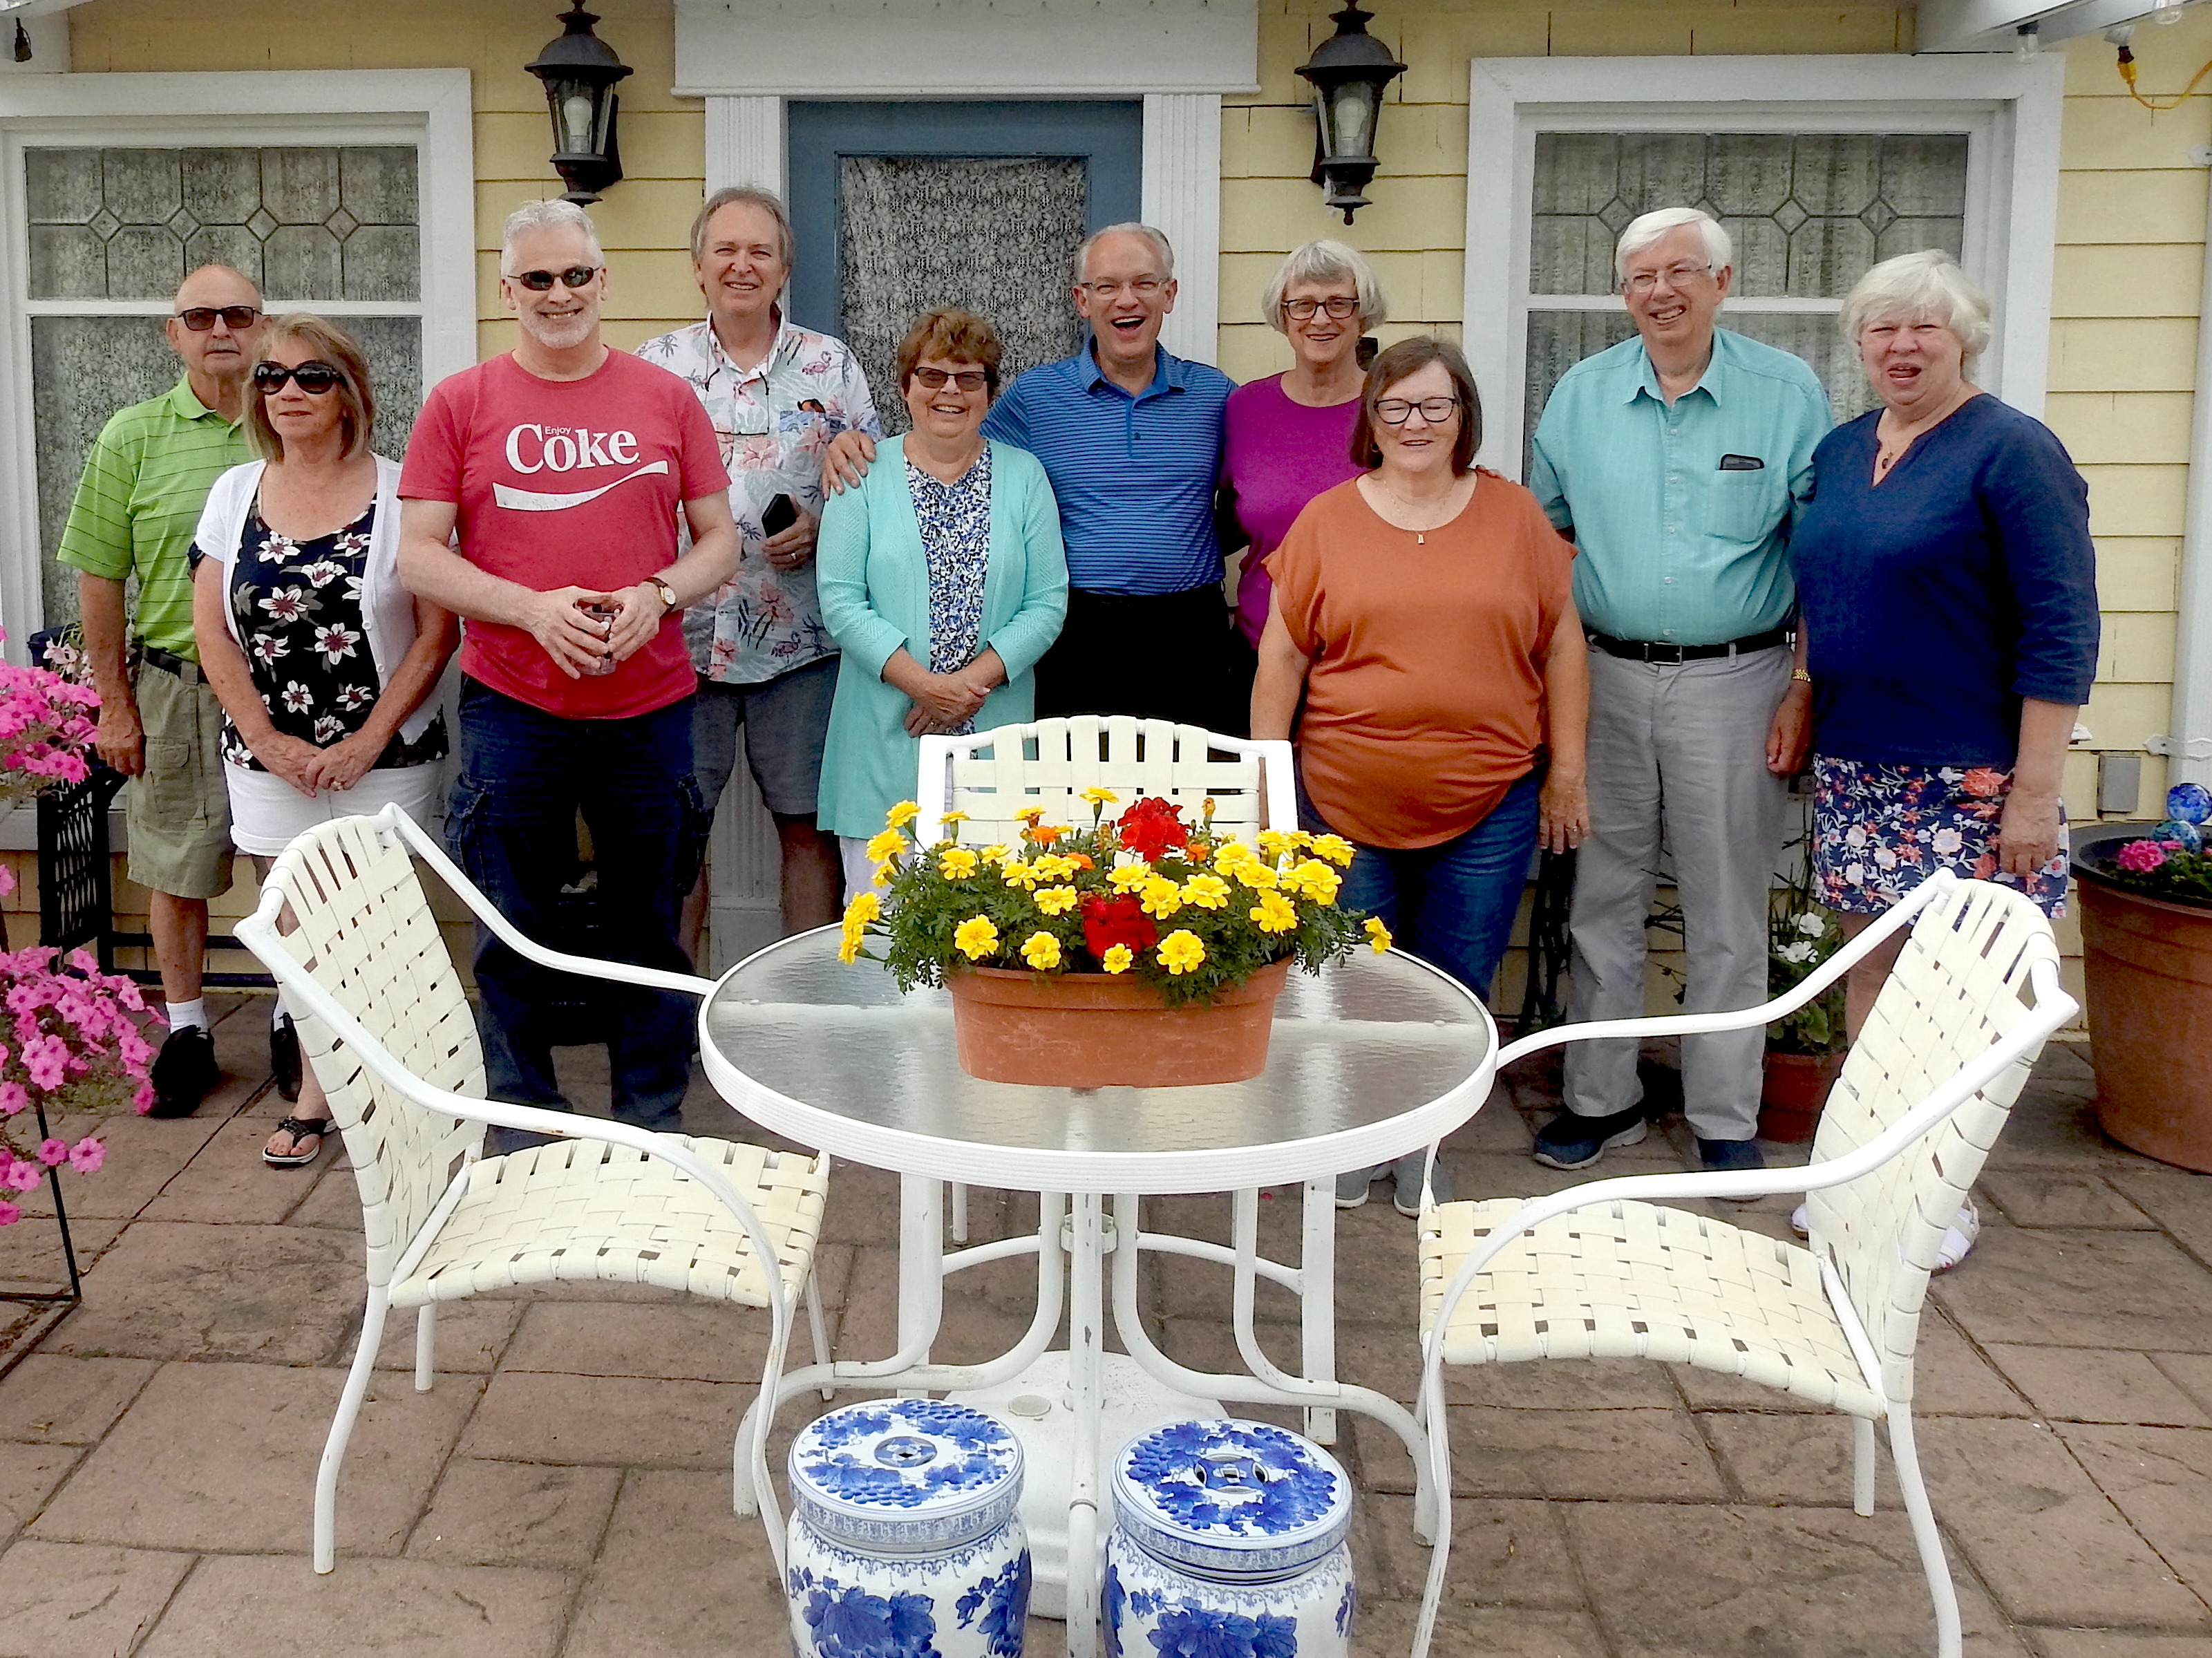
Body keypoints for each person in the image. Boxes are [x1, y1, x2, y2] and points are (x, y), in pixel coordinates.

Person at [397, 200, 739, 1152]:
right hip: (515, 703)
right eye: (538, 279)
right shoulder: (459, 403)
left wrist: (658, 595)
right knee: (511, 913)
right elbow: (419, 557)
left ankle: (650, 1114)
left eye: (576, 275)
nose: (560, 294)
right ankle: (523, 1117)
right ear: (507, 291)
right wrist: (530, 608)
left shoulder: (665, 400)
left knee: (649, 917)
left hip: (649, 705)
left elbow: (720, 540)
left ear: (604, 283)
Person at [1788, 249, 2099, 1268]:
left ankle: (1935, 1198)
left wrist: (2034, 794)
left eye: (1925, 325)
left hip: (1971, 777)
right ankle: (1866, 1173)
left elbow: (2060, 627)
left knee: (1961, 997)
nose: (1902, 344)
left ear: (1963, 335)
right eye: (1882, 327)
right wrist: (1801, 693)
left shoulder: (2012, 450)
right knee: (1871, 975)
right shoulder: (1841, 451)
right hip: (1860, 763)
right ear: (1859, 342)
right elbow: (1822, 592)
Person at [1253, 337, 1590, 1216]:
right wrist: (1267, 786)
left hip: (1490, 800)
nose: (1415, 423)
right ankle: (1355, 1142)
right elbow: (1282, 659)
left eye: (1435, 405)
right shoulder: (1327, 520)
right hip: (1343, 798)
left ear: (1464, 416)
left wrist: (1568, 773)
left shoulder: (1516, 518)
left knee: (1456, 986)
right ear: (1371, 419)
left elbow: (1562, 646)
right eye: (1396, 406)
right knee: (1352, 986)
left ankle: (1425, 1146)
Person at [1527, 207, 1831, 1181]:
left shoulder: (1784, 394)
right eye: (1641, 276)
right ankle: (1600, 1099)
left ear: (1722, 280)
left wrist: (1800, 681)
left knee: (1727, 906)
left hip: (1738, 678)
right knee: (1603, 898)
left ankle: (1723, 1112)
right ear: (1624, 294)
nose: (1661, 291)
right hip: (1604, 675)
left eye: (1681, 271)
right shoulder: (1580, 395)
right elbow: (1543, 539)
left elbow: (1819, 555)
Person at [189, 316, 460, 1167]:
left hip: (389, 750)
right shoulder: (234, 493)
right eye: (271, 379)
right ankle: (319, 1090)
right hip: (271, 759)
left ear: (350, 394)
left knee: (379, 931)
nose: (288, 393)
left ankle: (402, 1089)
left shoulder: (404, 490)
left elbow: (435, 632)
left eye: (311, 377)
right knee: (301, 933)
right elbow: (213, 633)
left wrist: (367, 741)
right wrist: (266, 739)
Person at [826, 224, 1237, 727]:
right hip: (1079, 635)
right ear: (1081, 300)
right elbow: (951, 445)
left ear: (1169, 294)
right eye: (1106, 286)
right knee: (1077, 796)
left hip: (1189, 632)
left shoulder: (1216, 398)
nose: (1125, 299)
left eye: (1144, 283)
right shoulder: (1038, 398)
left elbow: (1252, 500)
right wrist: (855, 447)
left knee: (1190, 796)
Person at [635, 187, 882, 955]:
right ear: (698, 266)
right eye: (727, 250)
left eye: (760, 252)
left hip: (799, 641)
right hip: (680, 637)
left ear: (784, 269)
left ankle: (803, 1008)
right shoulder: (653, 368)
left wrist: (825, 527)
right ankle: (670, 1015)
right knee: (676, 834)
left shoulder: (830, 364)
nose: (743, 265)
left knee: (808, 826)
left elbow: (876, 489)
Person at [57, 265, 270, 1117]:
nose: (221, 328)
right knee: (175, 866)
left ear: (262, 326)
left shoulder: (293, 421)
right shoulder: (132, 437)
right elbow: (101, 578)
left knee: (291, 867)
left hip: (283, 692)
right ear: (171, 333)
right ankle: (187, 1032)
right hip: (176, 686)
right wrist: (114, 702)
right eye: (200, 315)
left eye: (239, 313)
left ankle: (299, 1025)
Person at [815, 308, 1068, 890]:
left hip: (994, 736)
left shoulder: (1025, 476)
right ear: (906, 388)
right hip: (885, 732)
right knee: (884, 929)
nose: (949, 391)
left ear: (988, 392)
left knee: (992, 928)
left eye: (968, 377)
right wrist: (924, 686)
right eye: (932, 376)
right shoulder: (862, 474)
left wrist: (964, 691)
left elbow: (1047, 602)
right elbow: (842, 601)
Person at [1221, 241, 1384, 696]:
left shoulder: (1390, 408)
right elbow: (1220, 515)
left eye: (1338, 303)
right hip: (1259, 648)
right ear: (1283, 315)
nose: (1320, 319)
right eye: (1303, 305)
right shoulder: (1245, 408)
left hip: (1371, 653)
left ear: (1362, 313)